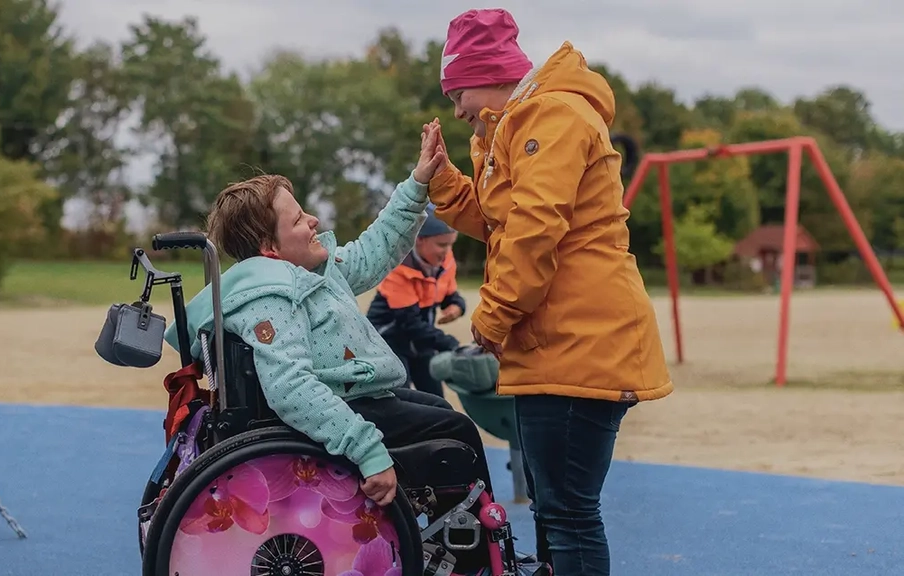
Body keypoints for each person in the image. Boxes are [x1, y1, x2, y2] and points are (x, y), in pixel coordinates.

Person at [422, 8, 674, 575]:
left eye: (456, 90)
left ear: (484, 73)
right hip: (559, 341)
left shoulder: (551, 116)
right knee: (555, 509)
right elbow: (498, 222)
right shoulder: (517, 124)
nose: (456, 108)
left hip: (581, 339)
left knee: (569, 513)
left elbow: (536, 229)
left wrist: (493, 318)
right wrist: (440, 177)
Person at [162, 127, 493, 515]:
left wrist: (418, 181)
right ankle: (478, 554)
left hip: (357, 394)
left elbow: (374, 251)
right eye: (300, 219)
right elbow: (291, 387)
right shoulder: (272, 297)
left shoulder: (311, 274)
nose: (315, 220)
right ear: (270, 249)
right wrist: (367, 450)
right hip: (341, 407)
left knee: (441, 410)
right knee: (458, 432)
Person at [365, 204, 467, 398]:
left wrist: (457, 306)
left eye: (450, 244)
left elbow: (448, 294)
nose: (447, 251)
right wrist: (450, 343)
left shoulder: (445, 261)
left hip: (421, 342)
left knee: (436, 400)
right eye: (442, 245)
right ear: (419, 240)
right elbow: (409, 323)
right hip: (391, 342)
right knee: (403, 400)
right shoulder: (398, 266)